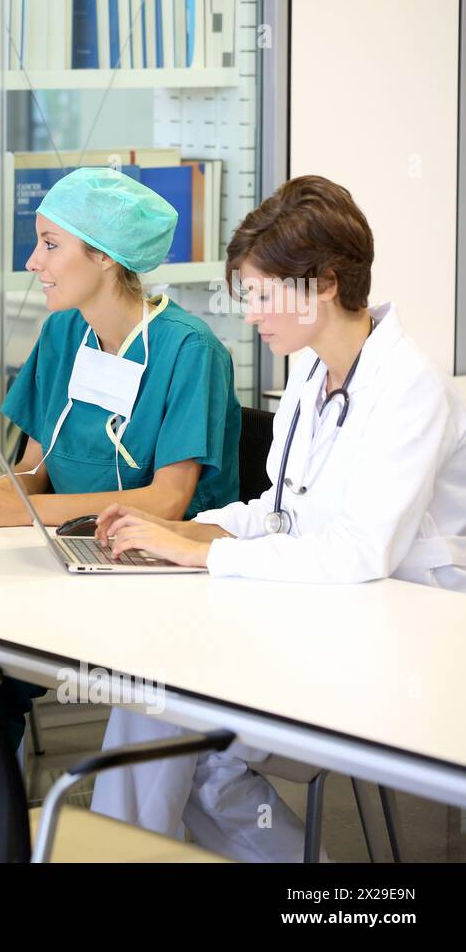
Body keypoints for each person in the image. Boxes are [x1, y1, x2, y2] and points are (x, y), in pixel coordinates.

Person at [90, 174, 466, 861]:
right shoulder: (311, 373)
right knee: (167, 715)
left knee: (164, 712)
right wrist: (183, 532)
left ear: (322, 282)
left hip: (394, 649)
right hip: (312, 619)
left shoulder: (409, 385)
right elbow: (281, 511)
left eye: (262, 295)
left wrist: (202, 555)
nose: (251, 315)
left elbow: (359, 553)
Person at [0, 167, 241, 530]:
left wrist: (26, 511)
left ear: (106, 256)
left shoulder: (190, 349)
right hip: (69, 539)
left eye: (50, 244)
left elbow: (167, 502)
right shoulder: (61, 332)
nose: (33, 262)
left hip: (164, 560)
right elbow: (32, 470)